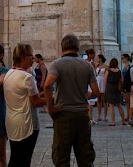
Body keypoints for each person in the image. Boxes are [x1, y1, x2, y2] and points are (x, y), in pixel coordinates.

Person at [43, 33, 98, 167]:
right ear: (77, 48)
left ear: (62, 47)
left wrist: (50, 107)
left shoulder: (57, 64)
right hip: (82, 115)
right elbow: (96, 92)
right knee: (85, 158)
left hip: (63, 114)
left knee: (61, 158)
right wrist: (86, 95)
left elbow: (47, 85)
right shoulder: (87, 66)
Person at [3, 43, 46, 167]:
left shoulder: (9, 74)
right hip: (27, 124)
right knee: (24, 160)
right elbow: (36, 102)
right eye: (30, 56)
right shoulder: (26, 77)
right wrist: (53, 98)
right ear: (23, 57)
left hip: (12, 122)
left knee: (15, 158)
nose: (33, 59)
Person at [104, 57, 126, 126]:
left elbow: (105, 81)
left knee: (111, 105)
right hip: (117, 88)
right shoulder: (119, 71)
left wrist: (106, 88)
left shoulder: (108, 71)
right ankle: (123, 120)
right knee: (119, 104)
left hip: (110, 88)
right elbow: (122, 80)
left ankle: (113, 121)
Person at [120, 53, 133, 125]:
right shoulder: (124, 66)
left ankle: (130, 116)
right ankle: (128, 115)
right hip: (124, 84)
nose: (122, 60)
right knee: (127, 102)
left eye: (123, 58)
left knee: (130, 102)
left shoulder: (129, 66)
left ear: (126, 58)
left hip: (128, 85)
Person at [94, 54, 106, 122]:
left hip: (103, 81)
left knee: (104, 99)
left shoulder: (106, 66)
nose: (97, 59)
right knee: (98, 99)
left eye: (98, 58)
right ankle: (99, 115)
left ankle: (105, 116)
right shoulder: (96, 66)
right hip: (98, 81)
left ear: (100, 58)